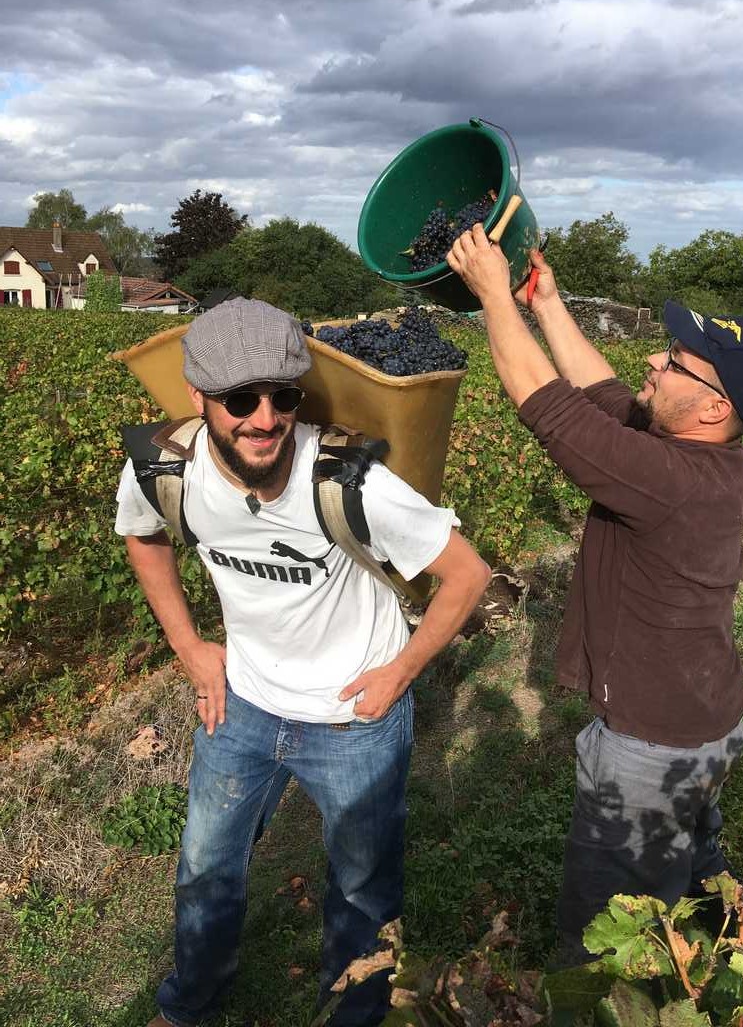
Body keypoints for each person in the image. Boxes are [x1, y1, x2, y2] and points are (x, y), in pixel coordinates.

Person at [115, 297, 491, 1027]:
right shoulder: (164, 467)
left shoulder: (351, 480)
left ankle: (351, 1017)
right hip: (244, 706)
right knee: (205, 867)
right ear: (197, 395)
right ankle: (189, 1006)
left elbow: (467, 574)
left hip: (354, 721)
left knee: (362, 895)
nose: (264, 419)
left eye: (282, 396)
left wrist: (399, 672)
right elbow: (143, 536)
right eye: (239, 400)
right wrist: (190, 647)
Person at [447, 226, 743, 963]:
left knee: (607, 941)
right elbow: (602, 395)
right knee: (693, 857)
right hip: (706, 720)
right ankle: (730, 949)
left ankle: (626, 995)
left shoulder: (669, 480)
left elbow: (550, 408)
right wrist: (546, 304)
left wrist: (493, 298)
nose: (653, 362)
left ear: (712, 408)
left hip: (649, 752)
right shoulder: (700, 457)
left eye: (675, 363)